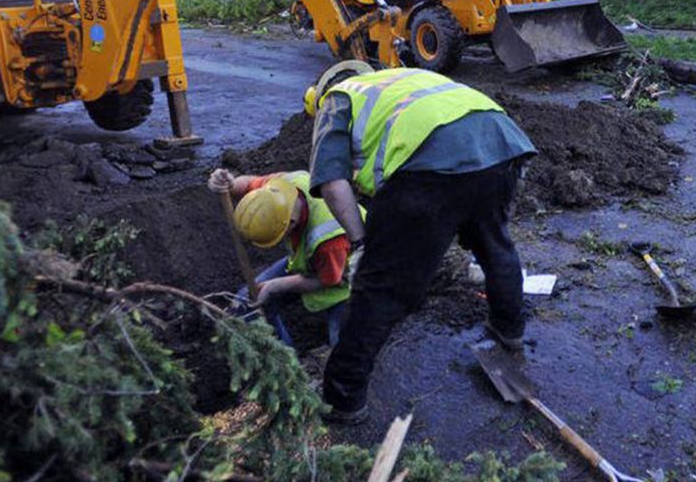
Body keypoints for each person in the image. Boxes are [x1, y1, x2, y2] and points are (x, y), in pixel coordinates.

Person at [303, 67, 536, 425]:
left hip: (431, 166)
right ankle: (510, 333)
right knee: (495, 246)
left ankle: (342, 399)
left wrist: (361, 241)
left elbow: (333, 184)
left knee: (379, 288)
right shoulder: (400, 80)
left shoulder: (337, 100)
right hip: (501, 142)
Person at [207, 168, 365, 349]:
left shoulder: (329, 238)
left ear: (290, 223)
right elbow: (248, 184)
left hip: (347, 281)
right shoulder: (280, 188)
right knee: (248, 300)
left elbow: (328, 280)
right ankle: (286, 363)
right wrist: (229, 184)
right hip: (312, 263)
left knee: (344, 351)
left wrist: (275, 286)